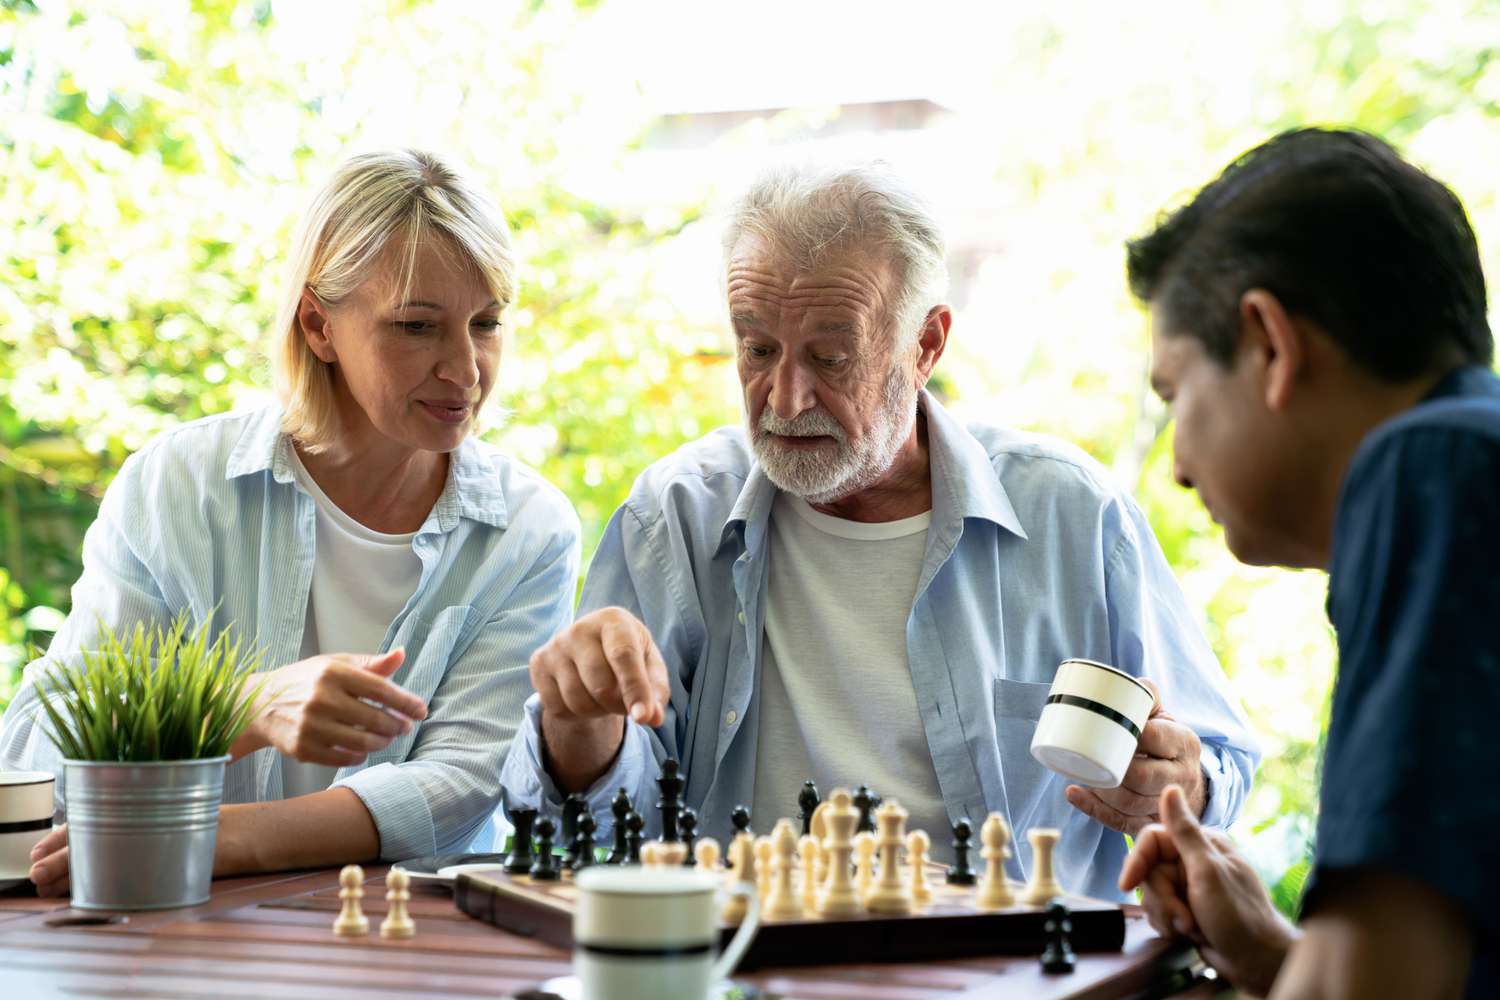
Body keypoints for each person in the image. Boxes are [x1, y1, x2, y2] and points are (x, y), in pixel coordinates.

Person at [500, 162, 1259, 900]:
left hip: (1011, 980)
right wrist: (576, 728)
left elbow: (1218, 765)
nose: (786, 396)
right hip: (747, 971)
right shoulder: (675, 515)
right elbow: (590, 832)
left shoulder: (1074, 515)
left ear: (926, 344)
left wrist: (1181, 781)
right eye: (757, 349)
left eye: (831, 357)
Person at [0, 149, 580, 896]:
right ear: (318, 325)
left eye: (487, 323)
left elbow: (460, 785)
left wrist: (202, 841)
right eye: (416, 326)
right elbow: (37, 756)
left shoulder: (530, 531)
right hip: (162, 936)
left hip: (404, 949)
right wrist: (245, 707)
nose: (466, 370)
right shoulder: (177, 486)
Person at [1118, 127, 1498, 998]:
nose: (1176, 465)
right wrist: (1277, 957)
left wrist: (1325, 969)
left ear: (1270, 345)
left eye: (1175, 393)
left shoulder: (1432, 469)